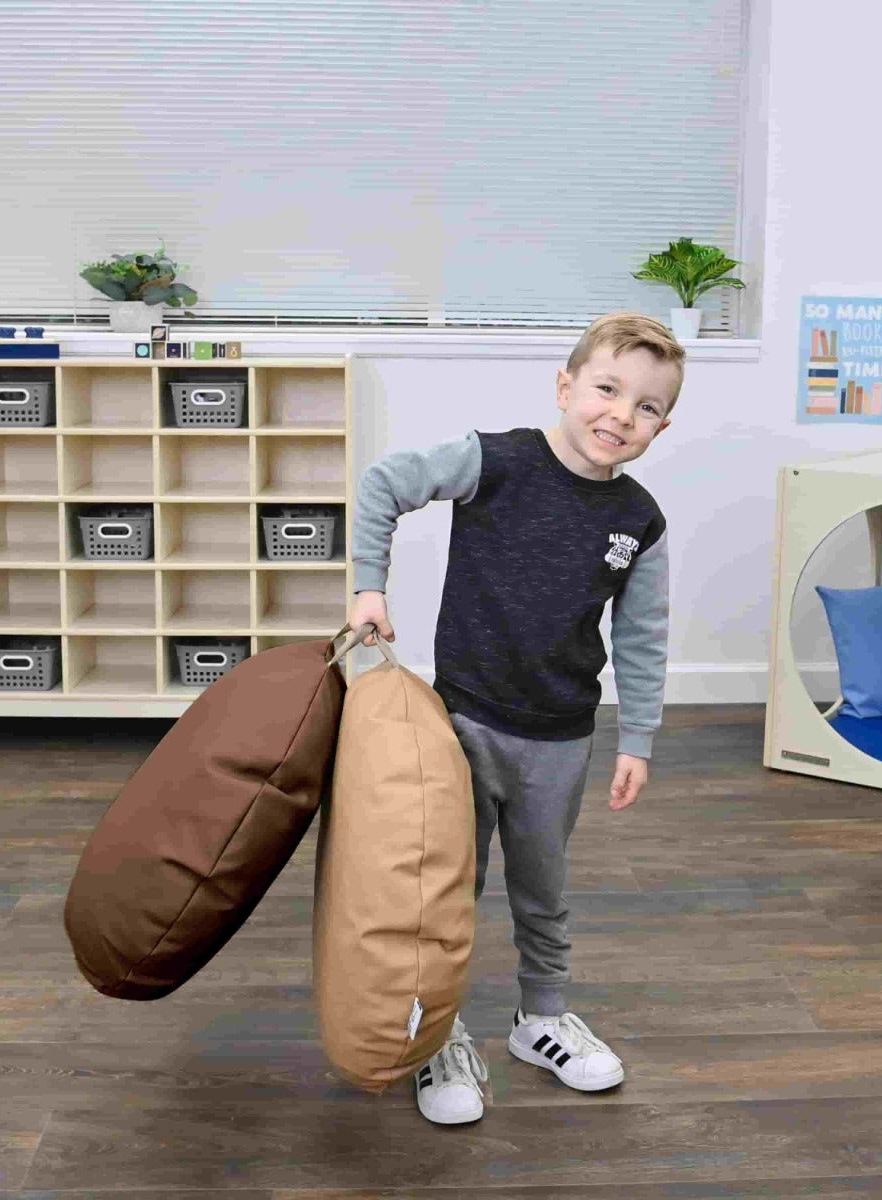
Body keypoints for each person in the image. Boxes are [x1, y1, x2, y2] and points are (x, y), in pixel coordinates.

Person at [347, 310, 681, 1124]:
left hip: (562, 736)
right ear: (567, 387)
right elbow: (383, 483)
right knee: (448, 887)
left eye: (646, 408)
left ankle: (540, 1020)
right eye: (607, 390)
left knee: (543, 887)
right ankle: (440, 1033)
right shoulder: (495, 460)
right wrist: (369, 584)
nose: (621, 416)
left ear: (662, 426)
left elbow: (642, 635)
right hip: (459, 724)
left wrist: (636, 735)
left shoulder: (639, 520)